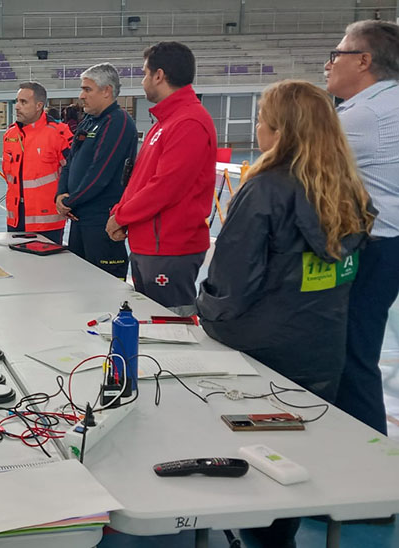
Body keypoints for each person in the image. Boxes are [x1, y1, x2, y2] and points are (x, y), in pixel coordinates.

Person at [198, 80, 374, 548]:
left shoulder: (265, 191)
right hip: (322, 347)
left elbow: (231, 288)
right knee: (301, 457)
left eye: (261, 120)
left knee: (259, 462)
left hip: (261, 352)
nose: (257, 128)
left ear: (278, 130)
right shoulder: (349, 188)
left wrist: (201, 310)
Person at [326, 20, 399, 435]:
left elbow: (293, 169)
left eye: (337, 54)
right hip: (386, 244)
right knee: (359, 351)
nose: (330, 64)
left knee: (349, 356)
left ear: (364, 60)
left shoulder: (363, 115)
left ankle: (368, 457)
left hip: (368, 246)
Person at [106, 42, 217, 315]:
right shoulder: (166, 122)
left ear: (159, 75)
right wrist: (121, 213)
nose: (143, 81)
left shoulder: (188, 122)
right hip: (151, 245)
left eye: (145, 73)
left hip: (170, 249)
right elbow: (140, 180)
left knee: (172, 328)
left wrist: (121, 217)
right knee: (149, 323)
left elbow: (165, 188)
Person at [56, 64, 137, 279]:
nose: (81, 96)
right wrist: (61, 195)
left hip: (101, 220)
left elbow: (100, 175)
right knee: (79, 281)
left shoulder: (118, 122)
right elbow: (70, 162)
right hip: (79, 217)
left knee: (104, 285)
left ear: (107, 91)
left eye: (87, 90)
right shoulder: (90, 121)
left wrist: (70, 201)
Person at [1, 81, 72, 243]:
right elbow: (9, 175)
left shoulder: (58, 133)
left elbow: (72, 172)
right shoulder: (10, 135)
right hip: (15, 220)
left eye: (23, 102)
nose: (17, 106)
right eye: (17, 101)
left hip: (47, 223)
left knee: (46, 268)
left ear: (39, 105)